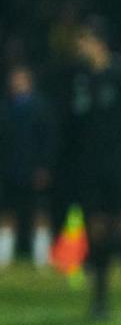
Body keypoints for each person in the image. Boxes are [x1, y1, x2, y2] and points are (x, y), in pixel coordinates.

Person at [60, 21, 121, 319]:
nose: (79, 47)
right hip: (92, 165)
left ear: (98, 42)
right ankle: (100, 301)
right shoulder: (80, 78)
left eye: (83, 41)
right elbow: (76, 123)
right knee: (96, 231)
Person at [1, 63, 57, 268]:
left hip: (34, 168)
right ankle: (4, 256)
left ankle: (41, 256)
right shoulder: (6, 107)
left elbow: (49, 139)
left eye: (20, 79)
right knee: (7, 211)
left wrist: (44, 166)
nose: (16, 83)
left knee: (39, 210)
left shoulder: (41, 108)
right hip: (10, 169)